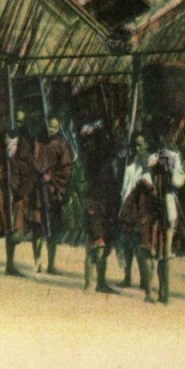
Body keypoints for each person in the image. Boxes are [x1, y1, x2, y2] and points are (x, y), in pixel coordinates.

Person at [121, 125, 185, 304]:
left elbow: (178, 180)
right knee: (146, 250)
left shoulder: (171, 158)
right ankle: (149, 291)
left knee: (165, 253)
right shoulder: (137, 163)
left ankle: (164, 293)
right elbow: (130, 187)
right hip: (146, 210)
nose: (139, 149)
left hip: (165, 208)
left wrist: (168, 172)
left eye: (142, 145)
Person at [0, 109, 36, 277]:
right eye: (16, 121)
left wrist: (21, 190)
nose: (17, 125)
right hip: (0, 187)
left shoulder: (26, 143)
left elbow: (29, 168)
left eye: (21, 122)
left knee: (14, 228)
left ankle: (10, 265)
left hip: (17, 189)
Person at [79, 120, 120, 293]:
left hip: (106, 204)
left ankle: (100, 282)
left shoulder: (109, 160)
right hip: (94, 202)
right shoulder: (92, 157)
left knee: (104, 245)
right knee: (94, 244)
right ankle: (89, 283)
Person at [29, 117, 73, 275]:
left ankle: (51, 264)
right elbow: (31, 160)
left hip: (53, 192)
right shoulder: (38, 141)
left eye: (54, 127)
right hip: (38, 191)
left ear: (59, 127)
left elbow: (67, 168)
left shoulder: (62, 144)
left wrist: (52, 178)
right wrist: (38, 174)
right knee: (37, 227)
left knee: (52, 229)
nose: (51, 130)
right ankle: (37, 261)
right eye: (49, 126)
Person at [119, 132, 151, 289]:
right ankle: (127, 277)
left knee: (141, 246)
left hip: (142, 208)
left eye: (141, 145)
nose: (138, 148)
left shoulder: (150, 163)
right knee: (127, 244)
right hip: (129, 207)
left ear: (146, 145)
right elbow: (125, 187)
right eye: (136, 145)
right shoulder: (130, 166)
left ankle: (145, 280)